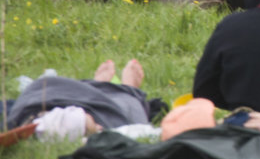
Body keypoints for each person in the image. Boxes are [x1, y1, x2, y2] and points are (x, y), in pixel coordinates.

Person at [5, 59, 154, 141]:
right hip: (60, 118)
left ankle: (99, 87)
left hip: (44, 104)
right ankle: (126, 89)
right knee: (128, 119)